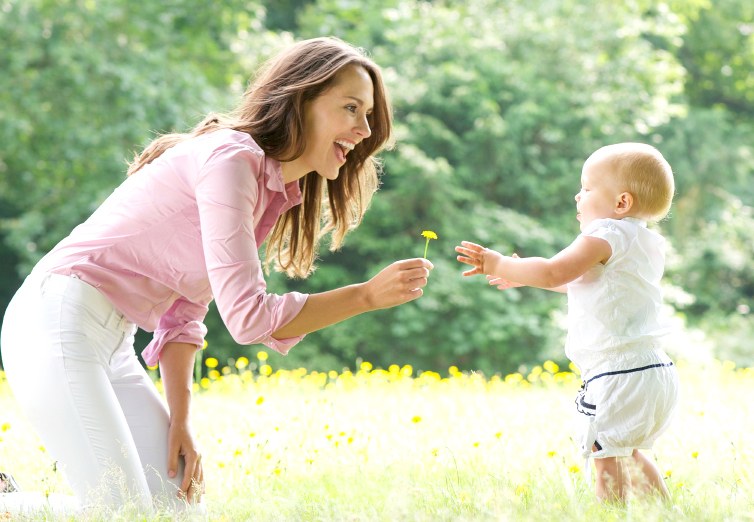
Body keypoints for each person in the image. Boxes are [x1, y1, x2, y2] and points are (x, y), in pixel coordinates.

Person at [0, 36, 433, 513]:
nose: (364, 129)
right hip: (57, 320)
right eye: (352, 108)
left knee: (180, 509)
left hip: (110, 343)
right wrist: (365, 297)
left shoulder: (269, 190)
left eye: (368, 115)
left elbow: (185, 311)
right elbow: (248, 319)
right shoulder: (232, 160)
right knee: (120, 512)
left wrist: (180, 422)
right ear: (301, 100)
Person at [455, 143, 679, 502]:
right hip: (654, 371)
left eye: (588, 188)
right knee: (628, 454)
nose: (578, 195)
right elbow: (578, 280)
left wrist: (498, 264)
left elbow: (552, 271)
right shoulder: (646, 240)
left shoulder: (606, 232)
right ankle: (665, 512)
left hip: (618, 373)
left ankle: (611, 514)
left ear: (621, 203)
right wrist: (524, 275)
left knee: (606, 459)